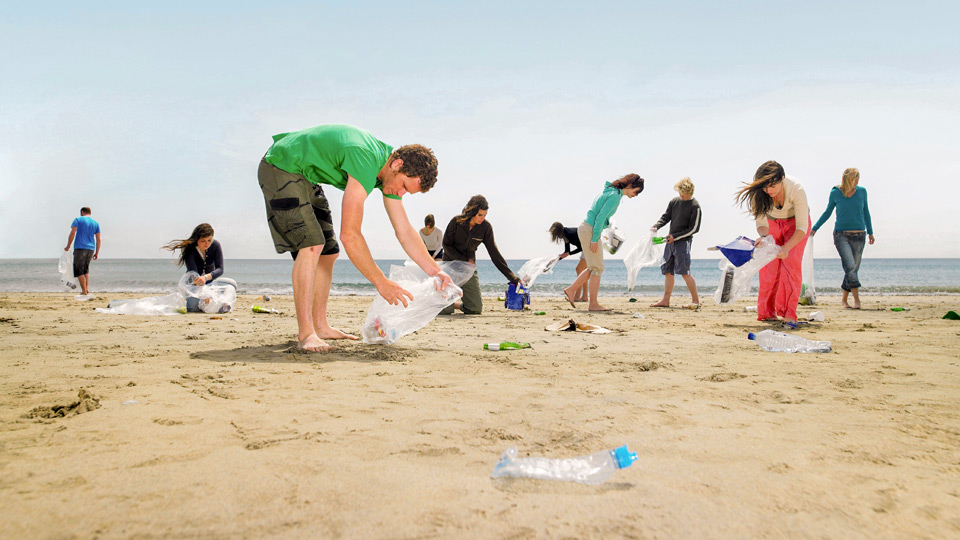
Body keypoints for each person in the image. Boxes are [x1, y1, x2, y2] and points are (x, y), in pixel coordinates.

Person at [258, 124, 451, 352]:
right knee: (312, 245)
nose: (401, 194)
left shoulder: (387, 173)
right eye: (404, 187)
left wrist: (435, 271)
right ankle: (306, 334)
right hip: (281, 165)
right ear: (398, 164)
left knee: (329, 253)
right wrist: (381, 282)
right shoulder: (365, 159)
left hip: (305, 175)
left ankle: (320, 326)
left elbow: (405, 232)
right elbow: (350, 235)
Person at [735, 160, 810, 324]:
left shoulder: (796, 189)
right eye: (765, 187)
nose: (768, 191)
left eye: (773, 186)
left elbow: (802, 227)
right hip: (772, 223)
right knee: (769, 268)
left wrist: (787, 247)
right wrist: (764, 238)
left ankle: (789, 313)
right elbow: (761, 224)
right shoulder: (759, 194)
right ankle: (767, 313)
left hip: (796, 225)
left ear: (782, 178)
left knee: (790, 266)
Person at [563, 174, 645, 311]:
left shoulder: (611, 191)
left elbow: (600, 216)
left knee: (594, 267)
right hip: (590, 230)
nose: (635, 195)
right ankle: (593, 304)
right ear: (630, 186)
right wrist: (595, 239)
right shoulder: (615, 197)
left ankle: (572, 290)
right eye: (636, 192)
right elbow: (600, 217)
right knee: (597, 268)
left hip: (587, 228)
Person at [440, 195, 520, 315]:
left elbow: (494, 254)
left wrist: (513, 278)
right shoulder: (456, 222)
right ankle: (445, 304)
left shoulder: (485, 228)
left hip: (468, 269)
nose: (482, 218)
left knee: (475, 309)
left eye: (485, 215)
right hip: (450, 266)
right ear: (472, 212)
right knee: (445, 311)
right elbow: (446, 245)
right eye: (480, 215)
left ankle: (456, 304)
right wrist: (465, 259)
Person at [811, 167, 875, 309]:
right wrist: (815, 228)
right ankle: (857, 300)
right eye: (854, 178)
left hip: (860, 235)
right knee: (851, 266)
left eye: (858, 178)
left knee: (852, 269)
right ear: (847, 179)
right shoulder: (835, 193)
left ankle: (844, 300)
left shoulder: (862, 192)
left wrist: (870, 232)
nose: (857, 181)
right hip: (841, 235)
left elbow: (866, 212)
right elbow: (828, 212)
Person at [650, 177, 702, 309]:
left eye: (683, 194)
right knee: (668, 271)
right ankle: (665, 300)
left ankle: (696, 301)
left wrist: (676, 237)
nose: (681, 196)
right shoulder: (674, 201)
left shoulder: (695, 206)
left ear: (690, 192)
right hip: (670, 241)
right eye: (680, 193)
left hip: (683, 243)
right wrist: (657, 226)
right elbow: (666, 216)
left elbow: (694, 229)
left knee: (685, 272)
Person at [163, 223, 238, 312]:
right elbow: (193, 272)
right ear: (197, 239)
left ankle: (221, 304)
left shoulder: (215, 245)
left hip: (211, 283)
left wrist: (206, 277)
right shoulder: (189, 248)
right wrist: (203, 293)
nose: (207, 243)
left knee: (232, 284)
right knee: (193, 307)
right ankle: (214, 304)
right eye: (203, 241)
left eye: (209, 240)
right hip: (194, 285)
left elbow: (220, 269)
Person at [64, 207, 101, 296]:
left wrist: (68, 245)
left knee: (79, 270)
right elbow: (98, 239)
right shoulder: (95, 223)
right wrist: (97, 252)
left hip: (80, 248)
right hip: (91, 249)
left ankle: (84, 291)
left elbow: (73, 233)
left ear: (82, 212)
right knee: (85, 270)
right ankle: (86, 289)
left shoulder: (78, 220)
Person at [549, 222, 587, 301]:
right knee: (583, 272)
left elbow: (581, 248)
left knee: (579, 270)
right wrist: (555, 260)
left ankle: (577, 296)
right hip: (587, 247)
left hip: (589, 245)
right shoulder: (565, 235)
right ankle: (584, 296)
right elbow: (566, 252)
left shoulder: (569, 234)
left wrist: (569, 253)